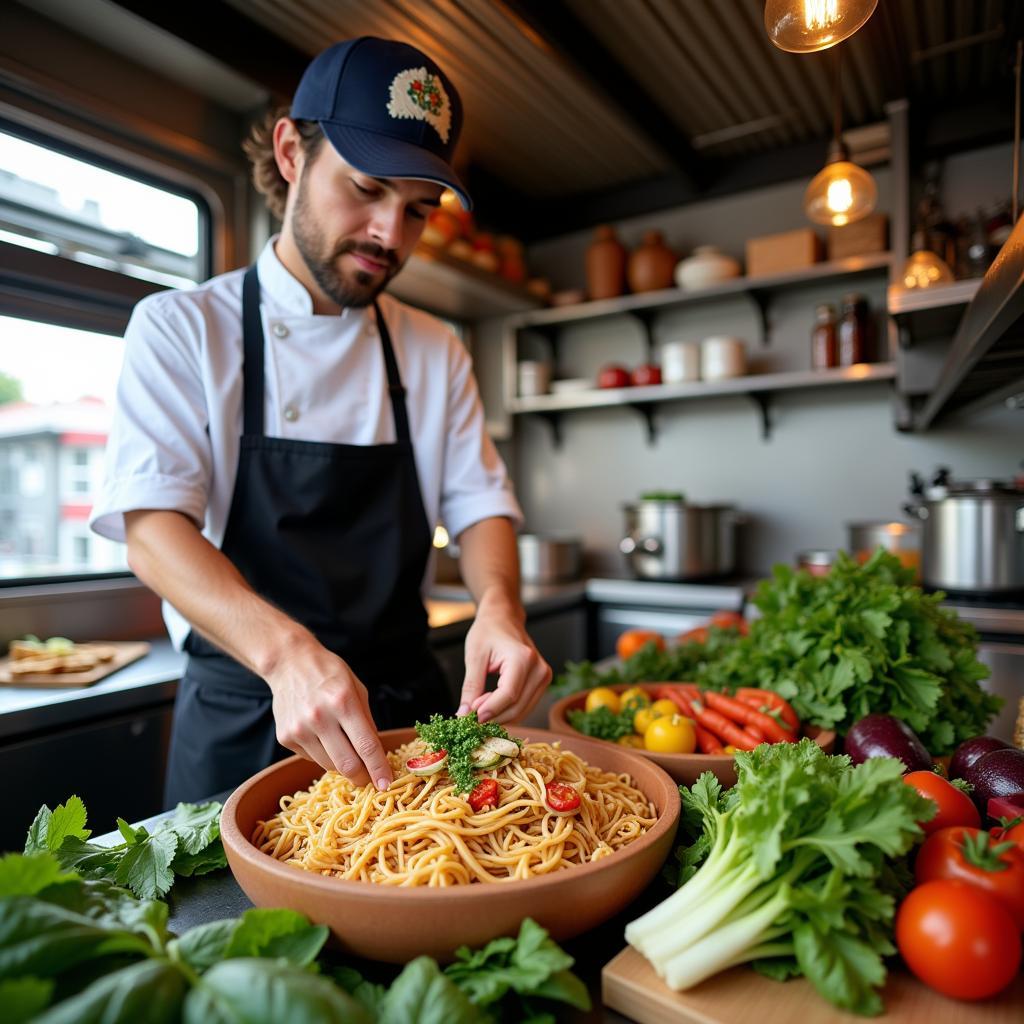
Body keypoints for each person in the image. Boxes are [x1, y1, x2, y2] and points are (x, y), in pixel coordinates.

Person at [89, 36, 551, 807]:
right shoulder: (181, 328)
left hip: (409, 719)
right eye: (365, 188)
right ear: (291, 153)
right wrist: (286, 655)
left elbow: (481, 506)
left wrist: (500, 609)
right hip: (246, 716)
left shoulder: (434, 349)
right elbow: (152, 530)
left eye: (417, 211)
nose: (389, 236)